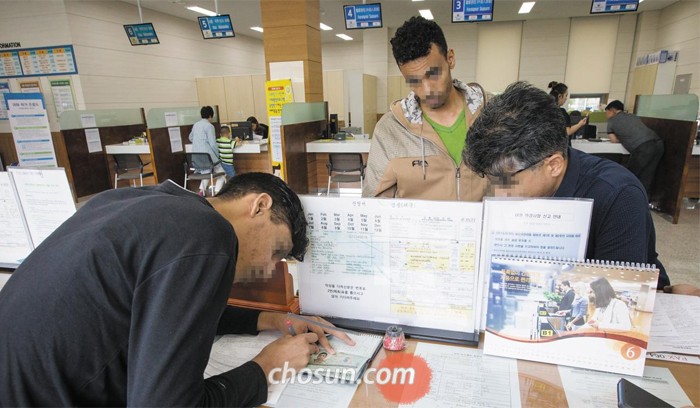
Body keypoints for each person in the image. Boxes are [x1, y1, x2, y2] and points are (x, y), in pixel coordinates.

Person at [0, 173, 354, 406]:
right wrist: (268, 366)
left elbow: (162, 309)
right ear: (259, 206)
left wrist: (269, 319)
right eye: (276, 252)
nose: (266, 271)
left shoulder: (139, 201)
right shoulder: (209, 234)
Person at [463, 81, 670, 290]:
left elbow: (617, 296)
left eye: (504, 180)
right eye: (491, 179)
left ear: (553, 165)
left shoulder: (618, 195)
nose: (496, 193)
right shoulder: (517, 181)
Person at [362, 16, 488, 201]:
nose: (427, 90)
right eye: (414, 81)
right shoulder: (390, 130)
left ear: (450, 59)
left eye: (433, 74)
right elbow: (373, 203)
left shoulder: (495, 114)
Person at [605, 100, 664, 197]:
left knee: (631, 175)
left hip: (643, 149)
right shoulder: (633, 116)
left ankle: (628, 199)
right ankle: (643, 201)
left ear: (612, 110)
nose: (606, 115)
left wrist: (623, 137)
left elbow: (614, 140)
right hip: (658, 144)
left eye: (606, 112)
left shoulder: (612, 121)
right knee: (648, 175)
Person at [189, 106, 225, 195]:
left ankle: (201, 191)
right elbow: (213, 144)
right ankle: (216, 192)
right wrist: (217, 156)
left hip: (197, 157)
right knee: (221, 172)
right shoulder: (209, 126)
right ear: (210, 116)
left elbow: (190, 138)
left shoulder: (196, 125)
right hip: (208, 156)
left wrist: (199, 142)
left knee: (207, 171)